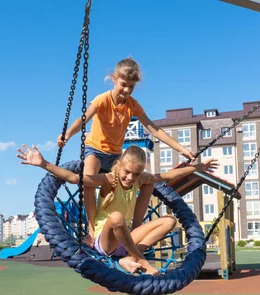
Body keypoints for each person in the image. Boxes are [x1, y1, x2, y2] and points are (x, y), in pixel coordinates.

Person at [57, 57, 196, 248]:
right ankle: (90, 230)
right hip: (95, 150)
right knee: (88, 179)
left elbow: (153, 129)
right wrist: (67, 135)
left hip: (116, 155)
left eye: (131, 86)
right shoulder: (102, 100)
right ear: (113, 79)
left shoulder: (132, 105)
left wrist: (181, 149)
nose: (126, 90)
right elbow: (84, 120)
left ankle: (135, 228)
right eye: (123, 85)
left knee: (145, 181)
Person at [18, 144, 218, 276]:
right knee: (116, 217)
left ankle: (129, 258)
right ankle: (139, 259)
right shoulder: (109, 180)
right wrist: (43, 164)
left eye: (136, 173)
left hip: (127, 239)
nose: (130, 178)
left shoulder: (140, 180)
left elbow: (167, 176)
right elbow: (77, 179)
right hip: (106, 240)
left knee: (169, 221)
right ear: (119, 165)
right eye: (127, 172)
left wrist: (197, 167)